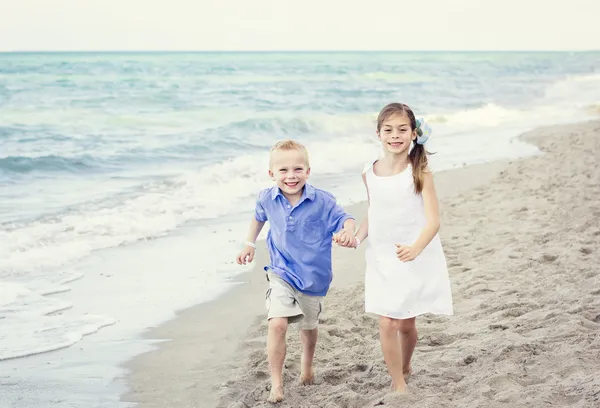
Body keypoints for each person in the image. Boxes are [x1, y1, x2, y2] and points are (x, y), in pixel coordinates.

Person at [338, 102, 453, 393]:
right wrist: (357, 237)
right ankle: (398, 382)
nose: (395, 135)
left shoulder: (420, 172)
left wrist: (416, 248)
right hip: (381, 256)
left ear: (414, 133)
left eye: (402, 129)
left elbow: (433, 221)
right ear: (378, 133)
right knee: (387, 321)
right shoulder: (369, 171)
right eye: (388, 130)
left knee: (406, 324)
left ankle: (405, 363)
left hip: (411, 254)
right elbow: (373, 210)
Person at [236, 139, 355, 403]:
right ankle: (276, 385)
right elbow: (258, 218)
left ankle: (307, 366)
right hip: (281, 271)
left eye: (298, 169)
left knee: (308, 326)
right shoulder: (267, 198)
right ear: (272, 174)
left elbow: (345, 218)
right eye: (283, 171)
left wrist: (346, 231)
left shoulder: (322, 201)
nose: (291, 176)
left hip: (314, 277)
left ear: (308, 171)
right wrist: (248, 244)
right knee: (277, 323)